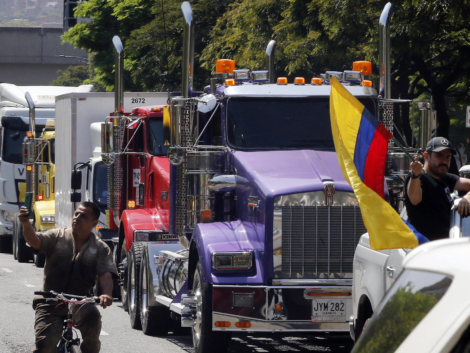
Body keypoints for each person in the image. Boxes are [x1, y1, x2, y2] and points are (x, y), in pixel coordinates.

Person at [18, 201, 118, 353]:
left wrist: (106, 294)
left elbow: (105, 273)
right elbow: (35, 242)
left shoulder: (100, 248)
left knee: (93, 322)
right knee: (46, 344)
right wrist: (25, 223)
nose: (77, 217)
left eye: (83, 216)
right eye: (76, 214)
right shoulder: (57, 236)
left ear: (94, 223)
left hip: (81, 302)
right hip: (50, 301)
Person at [404, 137, 470, 241]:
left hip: (449, 245)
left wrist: (467, 197)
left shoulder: (445, 178)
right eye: (439, 156)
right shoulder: (416, 179)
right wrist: (415, 174)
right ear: (426, 156)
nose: (444, 161)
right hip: (426, 249)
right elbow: (415, 199)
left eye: (448, 157)